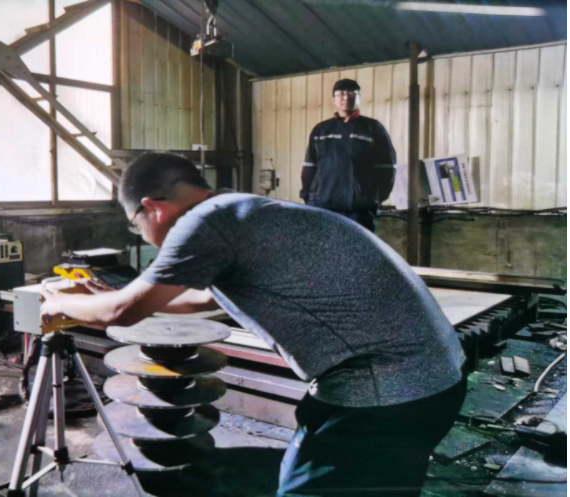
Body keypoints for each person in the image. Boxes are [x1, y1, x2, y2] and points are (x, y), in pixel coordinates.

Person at [41, 153, 466, 496]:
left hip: (383, 396)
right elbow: (205, 298)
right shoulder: (242, 209)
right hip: (437, 381)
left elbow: (123, 313)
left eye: (136, 225)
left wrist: (60, 303)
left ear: (151, 208)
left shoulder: (202, 223)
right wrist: (111, 298)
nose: (143, 234)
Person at [300, 78, 397, 232]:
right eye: (341, 94)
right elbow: (310, 166)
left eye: (352, 93)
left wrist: (374, 198)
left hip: (358, 210)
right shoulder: (320, 130)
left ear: (359, 98)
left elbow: (387, 167)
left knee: (357, 246)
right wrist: (308, 196)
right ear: (333, 100)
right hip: (323, 206)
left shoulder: (373, 128)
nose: (345, 97)